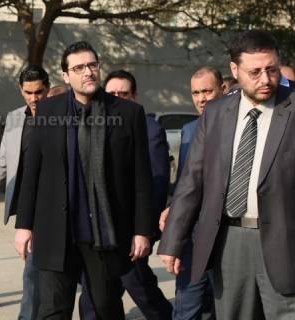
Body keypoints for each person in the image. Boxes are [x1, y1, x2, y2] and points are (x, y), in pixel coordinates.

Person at [158, 30, 295, 319]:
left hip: (292, 247)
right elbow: (192, 180)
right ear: (234, 70)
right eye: (254, 72)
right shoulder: (216, 112)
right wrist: (172, 241)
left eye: (272, 69)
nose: (265, 79)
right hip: (229, 244)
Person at [15, 41, 154, 320]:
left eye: (92, 65)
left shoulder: (128, 113)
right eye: (78, 68)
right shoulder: (48, 110)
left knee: (105, 308)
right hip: (56, 230)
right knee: (52, 311)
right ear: (66, 76)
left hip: (104, 232)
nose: (88, 72)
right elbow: (32, 171)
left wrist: (142, 230)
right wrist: (23, 225)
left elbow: (141, 178)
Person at [79, 69, 173, 320]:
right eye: (112, 93)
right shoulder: (94, 123)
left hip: (131, 232)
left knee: (140, 289)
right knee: (95, 294)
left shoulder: (149, 128)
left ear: (135, 96)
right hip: (100, 231)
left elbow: (156, 182)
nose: (117, 98)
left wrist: (145, 231)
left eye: (124, 93)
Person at [0, 64, 50, 319]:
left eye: (39, 92)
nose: (34, 98)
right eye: (28, 92)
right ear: (20, 90)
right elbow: (3, 161)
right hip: (28, 204)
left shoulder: (62, 117)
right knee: (33, 266)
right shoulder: (15, 118)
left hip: (56, 202)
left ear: (47, 88)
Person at [159, 66, 225, 320]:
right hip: (194, 237)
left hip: (228, 236)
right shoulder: (188, 130)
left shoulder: (239, 128)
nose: (201, 99)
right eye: (196, 93)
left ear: (223, 89)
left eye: (207, 91)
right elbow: (186, 183)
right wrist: (173, 208)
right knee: (186, 308)